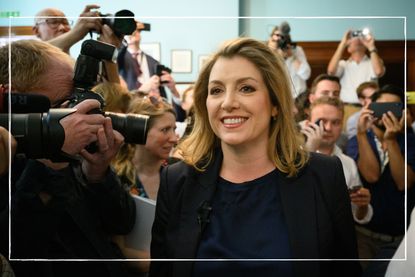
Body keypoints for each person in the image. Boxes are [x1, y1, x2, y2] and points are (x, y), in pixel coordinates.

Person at [149, 37, 361, 277]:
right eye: (217, 90)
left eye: (246, 88)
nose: (228, 103)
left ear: (275, 104)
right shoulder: (176, 181)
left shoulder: (324, 176)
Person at [0, 39, 135, 277]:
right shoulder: (4, 159)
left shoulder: (75, 146)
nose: (76, 115)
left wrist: (98, 174)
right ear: (15, 98)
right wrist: (51, 165)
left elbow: (121, 223)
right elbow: (21, 252)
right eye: (64, 103)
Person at [346, 84, 415, 271]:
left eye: (393, 108)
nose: (386, 114)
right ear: (371, 109)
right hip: (363, 236)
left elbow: (404, 183)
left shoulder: (410, 141)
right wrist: (361, 133)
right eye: (381, 107)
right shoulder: (356, 140)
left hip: (399, 238)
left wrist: (391, 140)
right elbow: (371, 176)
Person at [301, 96, 372, 224]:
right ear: (308, 123)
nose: (328, 128)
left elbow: (357, 215)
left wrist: (363, 205)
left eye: (335, 122)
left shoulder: (348, 163)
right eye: (322, 121)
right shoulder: (291, 156)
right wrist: (309, 151)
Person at [118, 21, 186, 121]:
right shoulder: (120, 60)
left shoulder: (153, 62)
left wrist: (173, 91)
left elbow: (174, 113)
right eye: (131, 30)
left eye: (136, 30)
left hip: (155, 114)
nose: (133, 32)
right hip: (130, 114)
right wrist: (125, 36)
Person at [327, 29, 385, 124]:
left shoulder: (373, 62)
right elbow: (331, 71)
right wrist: (342, 44)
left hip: (370, 108)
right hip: (347, 108)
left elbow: (378, 72)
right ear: (348, 48)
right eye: (353, 37)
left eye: (361, 36)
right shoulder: (343, 64)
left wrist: (371, 46)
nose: (358, 39)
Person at [33, 5, 103, 54]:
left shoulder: (77, 66)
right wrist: (75, 33)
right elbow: (36, 53)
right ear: (36, 31)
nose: (62, 27)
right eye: (53, 22)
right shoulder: (27, 57)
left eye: (65, 22)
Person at [268, 21, 311, 97]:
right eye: (277, 36)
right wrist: (274, 52)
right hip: (277, 98)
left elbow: (306, 74)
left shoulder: (296, 50)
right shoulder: (267, 53)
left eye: (282, 37)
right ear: (270, 39)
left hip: (299, 97)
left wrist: (291, 56)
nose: (279, 40)